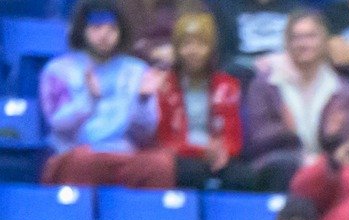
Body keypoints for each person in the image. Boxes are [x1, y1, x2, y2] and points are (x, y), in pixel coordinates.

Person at [39, 2, 173, 188]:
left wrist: (143, 100)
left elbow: (145, 134)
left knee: (161, 165)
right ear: (82, 30)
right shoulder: (58, 70)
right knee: (82, 161)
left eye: (112, 28)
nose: (104, 35)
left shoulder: (137, 70)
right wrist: (89, 100)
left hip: (125, 155)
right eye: (96, 27)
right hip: (76, 151)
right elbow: (58, 124)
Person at [234, 8, 349, 194]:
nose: (303, 43)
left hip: (328, 163)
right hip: (279, 164)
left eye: (310, 36)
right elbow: (256, 137)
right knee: (286, 166)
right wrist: (288, 133)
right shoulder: (266, 85)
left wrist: (332, 136)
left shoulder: (342, 89)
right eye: (296, 37)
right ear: (287, 42)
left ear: (324, 41)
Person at [155, 9, 242, 189]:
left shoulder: (228, 85)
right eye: (186, 44)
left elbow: (234, 137)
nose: (193, 51)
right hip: (181, 156)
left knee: (241, 176)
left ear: (211, 48)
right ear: (176, 48)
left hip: (219, 157)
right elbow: (162, 139)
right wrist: (200, 150)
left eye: (201, 44)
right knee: (190, 171)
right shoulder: (164, 85)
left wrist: (224, 150)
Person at [215, 0, 295, 75]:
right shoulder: (227, 7)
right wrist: (253, 63)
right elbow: (225, 53)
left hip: (286, 67)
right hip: (242, 70)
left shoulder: (295, 7)